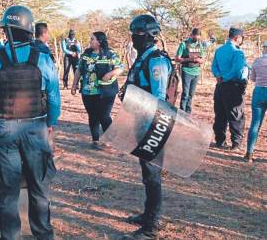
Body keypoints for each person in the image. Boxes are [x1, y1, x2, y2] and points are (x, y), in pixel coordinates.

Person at [0, 5, 60, 239]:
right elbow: (54, 100)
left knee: (8, 190)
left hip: (5, 130)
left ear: (7, 31)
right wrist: (50, 123)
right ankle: (43, 234)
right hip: (37, 130)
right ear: (29, 30)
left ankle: (10, 236)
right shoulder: (43, 59)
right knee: (39, 188)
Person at [122, 14, 172, 240]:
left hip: (154, 123)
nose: (134, 38)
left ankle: (151, 226)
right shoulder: (143, 57)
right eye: (133, 34)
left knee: (152, 175)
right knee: (147, 173)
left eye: (139, 34)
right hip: (140, 121)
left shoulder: (156, 60)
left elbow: (159, 98)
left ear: (151, 35)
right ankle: (147, 214)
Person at [71, 31, 123, 149]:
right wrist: (74, 85)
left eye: (92, 39)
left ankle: (110, 140)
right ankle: (95, 140)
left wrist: (110, 73)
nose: (90, 41)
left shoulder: (110, 54)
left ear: (99, 42)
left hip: (106, 91)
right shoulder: (86, 54)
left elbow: (120, 68)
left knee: (104, 116)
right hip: (88, 91)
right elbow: (79, 70)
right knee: (92, 115)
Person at [211, 27, 248, 150]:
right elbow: (237, 71)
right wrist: (226, 77)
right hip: (233, 86)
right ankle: (236, 143)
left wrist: (219, 76)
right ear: (237, 38)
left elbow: (214, 67)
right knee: (236, 114)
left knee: (220, 113)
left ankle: (220, 141)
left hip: (220, 86)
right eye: (241, 38)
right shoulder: (238, 52)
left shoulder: (219, 50)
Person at [245, 41, 267, 163]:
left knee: (255, 124)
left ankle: (249, 153)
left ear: (264, 48)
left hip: (259, 92)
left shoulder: (257, 61)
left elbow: (252, 78)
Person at [175, 28, 205, 114]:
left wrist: (199, 61)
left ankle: (188, 113)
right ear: (191, 35)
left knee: (191, 95)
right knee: (185, 94)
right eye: (195, 36)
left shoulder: (199, 45)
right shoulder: (184, 44)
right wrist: (189, 59)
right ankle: (181, 112)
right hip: (186, 71)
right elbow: (177, 58)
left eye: (198, 37)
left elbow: (202, 59)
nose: (196, 38)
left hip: (196, 72)